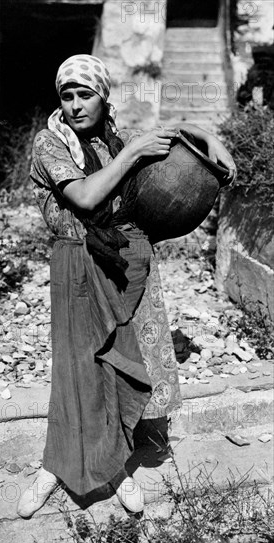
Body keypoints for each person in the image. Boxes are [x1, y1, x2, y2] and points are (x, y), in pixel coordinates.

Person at [17, 54, 236, 517]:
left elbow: (176, 132)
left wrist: (210, 138)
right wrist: (134, 154)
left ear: (104, 97)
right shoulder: (50, 143)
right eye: (67, 95)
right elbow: (85, 196)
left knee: (120, 362)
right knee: (77, 368)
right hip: (77, 264)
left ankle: (118, 468)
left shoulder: (114, 139)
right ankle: (53, 468)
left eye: (86, 94)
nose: (75, 105)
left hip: (122, 263)